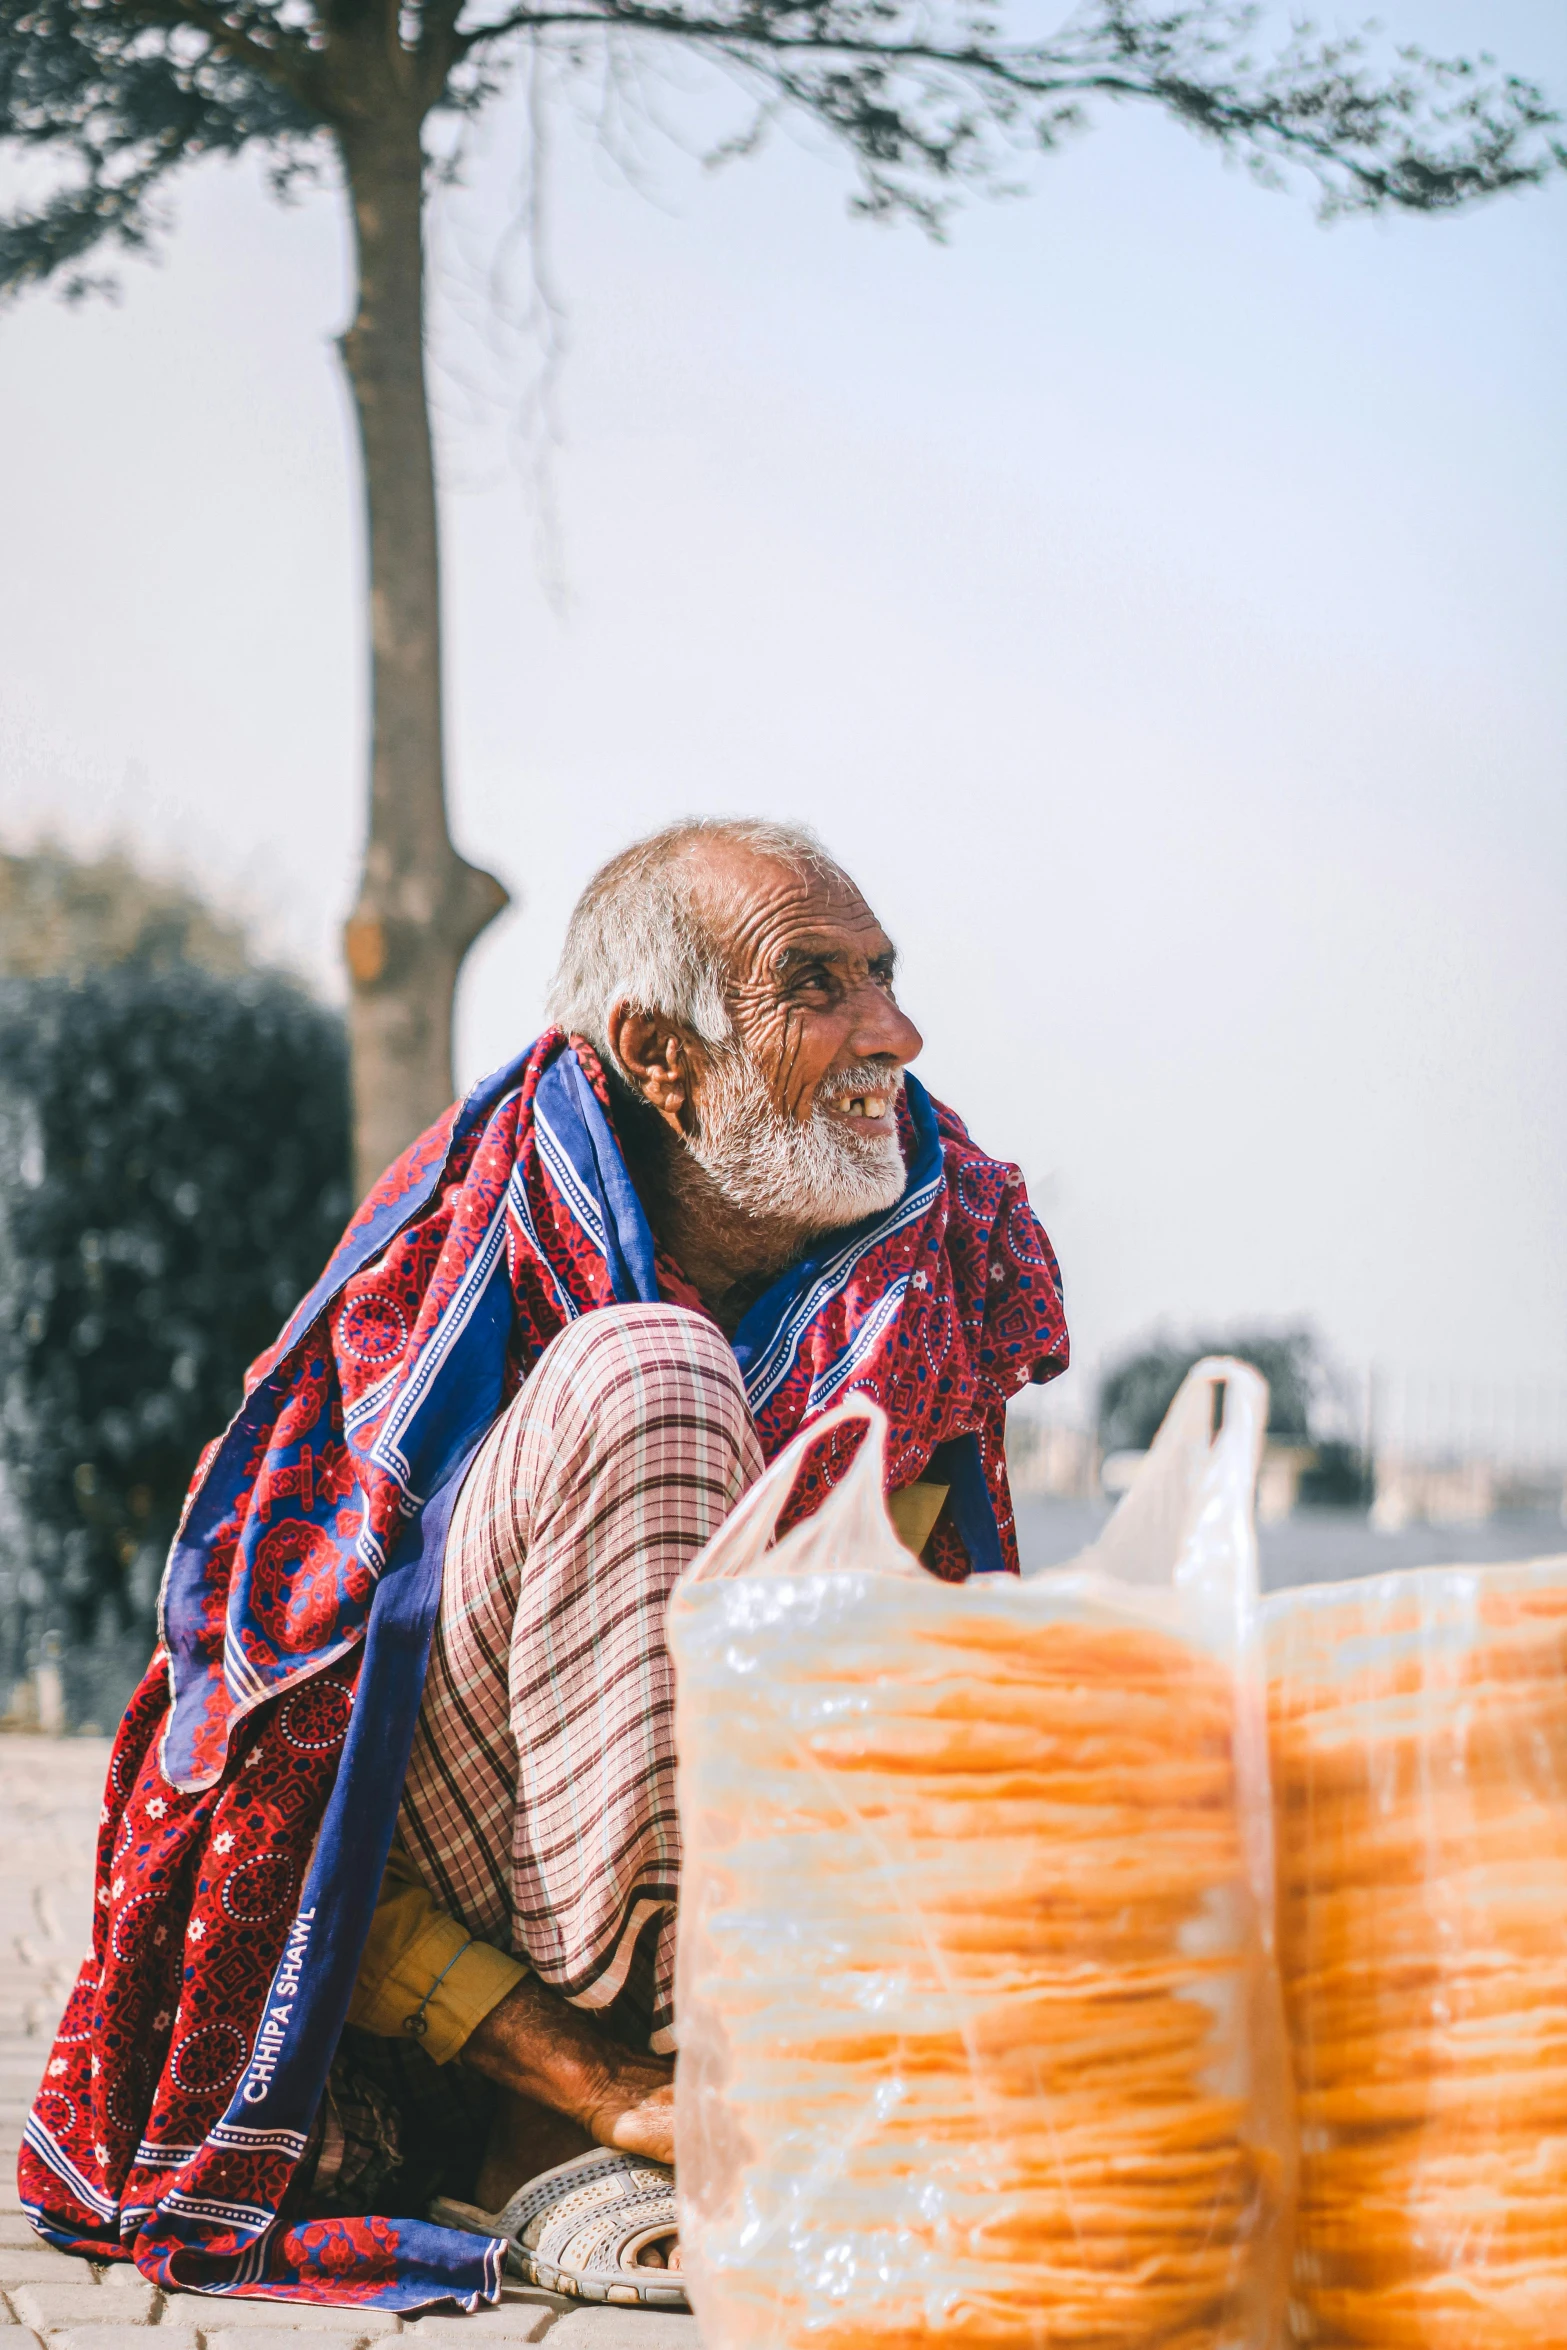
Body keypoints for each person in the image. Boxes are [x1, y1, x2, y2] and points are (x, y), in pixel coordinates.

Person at [21, 820, 1067, 2313]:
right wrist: (590, 2080)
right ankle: (548, 2132)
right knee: (654, 1377)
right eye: (817, 984)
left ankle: (731, 2096)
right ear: (659, 1052)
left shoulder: (927, 1270)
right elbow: (296, 1806)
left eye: (885, 978)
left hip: (736, 1938)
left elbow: (900, 1737)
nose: (890, 1032)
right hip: (432, 1960)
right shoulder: (460, 1273)